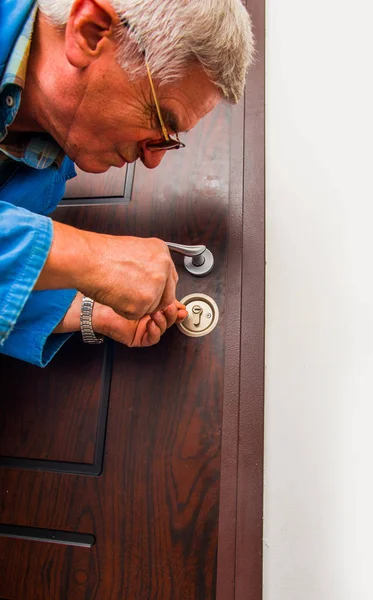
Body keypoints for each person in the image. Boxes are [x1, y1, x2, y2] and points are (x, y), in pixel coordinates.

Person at [0, 0, 254, 366]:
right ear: (91, 32)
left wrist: (90, 310)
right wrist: (85, 258)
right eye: (160, 122)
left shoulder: (46, 162)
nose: (152, 160)